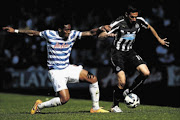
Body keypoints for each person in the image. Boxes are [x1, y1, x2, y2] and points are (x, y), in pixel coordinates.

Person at [3, 24, 109, 114]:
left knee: (93, 78)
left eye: (69, 29)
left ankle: (95, 108)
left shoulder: (72, 34)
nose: (68, 32)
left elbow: (90, 33)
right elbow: (33, 32)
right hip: (55, 71)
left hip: (67, 67)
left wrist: (101, 28)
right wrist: (15, 30)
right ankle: (39, 106)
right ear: (59, 30)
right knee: (64, 99)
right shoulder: (50, 34)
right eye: (66, 30)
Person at [98, 5, 169, 112]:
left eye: (136, 17)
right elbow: (100, 36)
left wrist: (159, 39)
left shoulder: (139, 21)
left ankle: (128, 91)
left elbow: (150, 27)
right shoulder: (118, 23)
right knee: (122, 81)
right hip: (117, 53)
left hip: (130, 51)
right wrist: (106, 35)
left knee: (146, 73)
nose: (134, 19)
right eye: (132, 17)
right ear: (126, 15)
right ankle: (115, 106)